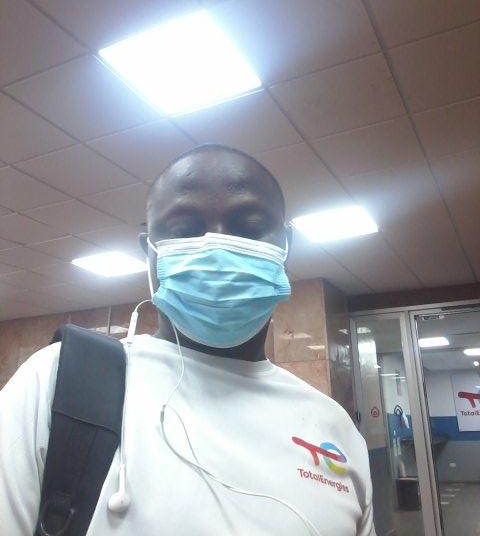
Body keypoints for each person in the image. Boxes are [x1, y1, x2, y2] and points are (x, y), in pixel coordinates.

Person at [0, 144, 375, 535]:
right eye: (184, 231)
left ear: (285, 246)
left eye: (248, 228)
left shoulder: (334, 430)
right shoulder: (56, 384)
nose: (217, 247)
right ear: (149, 252)